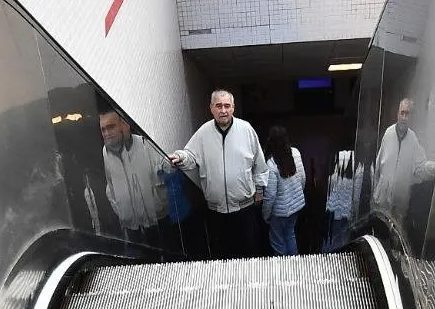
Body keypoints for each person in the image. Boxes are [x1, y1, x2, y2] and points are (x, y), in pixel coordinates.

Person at [169, 89, 267, 258]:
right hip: (216, 212)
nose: (223, 110)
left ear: (233, 108)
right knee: (221, 255)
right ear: (211, 108)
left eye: (227, 106)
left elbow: (259, 164)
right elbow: (191, 155)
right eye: (219, 106)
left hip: (244, 209)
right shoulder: (203, 133)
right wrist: (180, 156)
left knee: (248, 252)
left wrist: (260, 189)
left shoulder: (246, 129)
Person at [100, 109, 169, 246]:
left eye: (111, 127)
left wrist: (159, 205)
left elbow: (167, 177)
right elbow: (111, 187)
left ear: (125, 125)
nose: (106, 133)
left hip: (158, 223)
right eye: (103, 129)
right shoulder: (105, 153)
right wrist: (122, 213)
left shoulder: (147, 145)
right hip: (131, 228)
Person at [374, 97, 431, 224]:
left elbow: (421, 169)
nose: (404, 117)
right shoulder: (388, 134)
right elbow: (378, 167)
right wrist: (376, 194)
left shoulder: (413, 140)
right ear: (397, 114)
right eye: (402, 113)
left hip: (399, 209)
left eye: (407, 114)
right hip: (381, 204)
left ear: (411, 118)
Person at [261, 125, 306, 256]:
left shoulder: (271, 164)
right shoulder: (296, 153)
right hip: (296, 207)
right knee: (290, 234)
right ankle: (295, 266)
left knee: (278, 242)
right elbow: (303, 178)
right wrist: (297, 197)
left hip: (279, 212)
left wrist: (265, 215)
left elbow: (270, 196)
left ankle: (283, 271)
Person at [324, 148, 361, 251]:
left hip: (335, 207)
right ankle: (342, 252)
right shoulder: (358, 164)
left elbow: (331, 185)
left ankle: (333, 252)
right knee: (345, 235)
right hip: (348, 208)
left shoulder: (338, 157)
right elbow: (357, 192)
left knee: (334, 234)